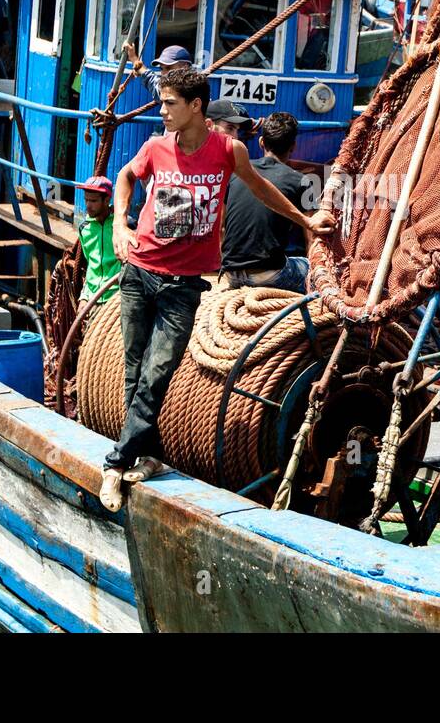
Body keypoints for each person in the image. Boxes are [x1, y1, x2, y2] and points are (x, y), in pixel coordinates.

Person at [98, 68, 335, 510]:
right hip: (140, 272)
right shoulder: (154, 147)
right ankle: (148, 456)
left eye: (170, 103)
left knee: (157, 372)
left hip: (183, 286)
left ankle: (114, 463)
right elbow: (127, 178)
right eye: (162, 102)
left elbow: (262, 189)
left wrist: (305, 221)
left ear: (196, 107)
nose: (162, 110)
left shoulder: (228, 150)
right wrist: (119, 223)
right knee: (134, 371)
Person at [221, 111, 310, 294]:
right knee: (308, 267)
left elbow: (221, 226)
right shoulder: (302, 181)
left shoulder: (236, 173)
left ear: (261, 142)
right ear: (293, 146)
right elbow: (311, 238)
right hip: (269, 274)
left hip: (231, 272)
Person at [78, 175, 121, 305]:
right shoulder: (84, 229)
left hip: (116, 298)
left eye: (93, 201)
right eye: (86, 200)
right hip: (92, 298)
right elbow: (91, 264)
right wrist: (84, 296)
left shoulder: (123, 225)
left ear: (107, 200)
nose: (88, 205)